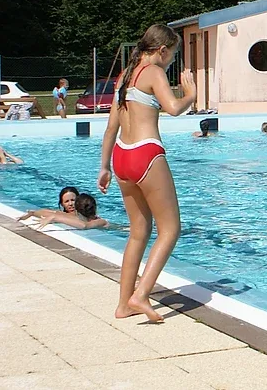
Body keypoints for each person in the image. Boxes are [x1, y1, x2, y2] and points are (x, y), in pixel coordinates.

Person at [99, 23, 196, 322]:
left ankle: (123, 304)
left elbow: (111, 127)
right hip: (146, 153)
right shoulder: (153, 72)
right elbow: (174, 108)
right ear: (162, 50)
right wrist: (191, 94)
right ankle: (141, 295)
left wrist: (103, 167)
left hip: (121, 155)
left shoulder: (124, 77)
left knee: (138, 233)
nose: (171, 61)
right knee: (170, 229)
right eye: (172, 55)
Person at [19, 193, 109, 230]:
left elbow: (84, 226)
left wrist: (55, 218)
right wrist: (33, 213)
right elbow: (52, 213)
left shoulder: (101, 221)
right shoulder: (74, 217)